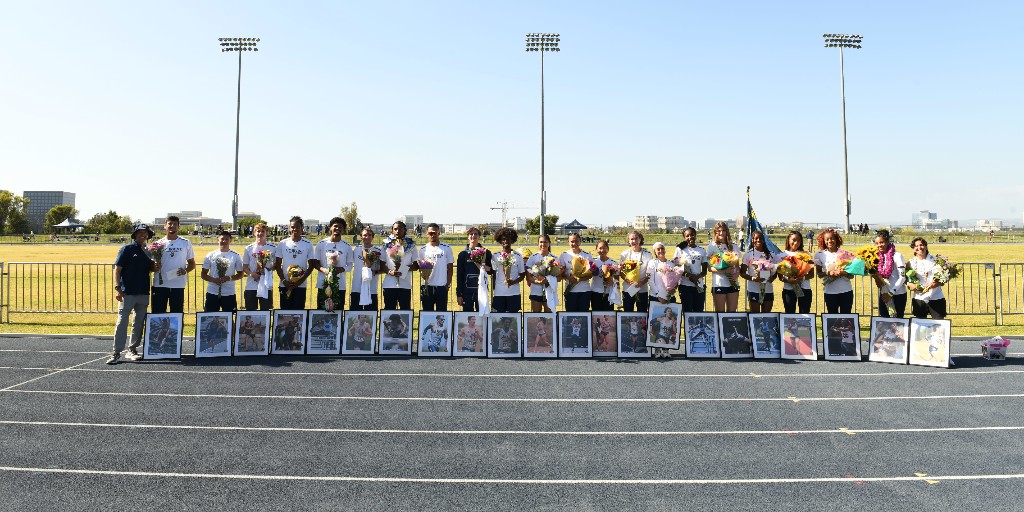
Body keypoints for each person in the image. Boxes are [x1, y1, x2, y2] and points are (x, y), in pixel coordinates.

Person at [108, 223, 158, 364]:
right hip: (127, 292)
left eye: (145, 232)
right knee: (122, 322)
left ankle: (132, 349)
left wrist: (157, 265)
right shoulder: (127, 249)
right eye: (140, 232)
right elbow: (117, 269)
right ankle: (116, 352)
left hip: (143, 291)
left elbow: (152, 269)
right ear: (135, 235)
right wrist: (118, 287)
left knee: (138, 323)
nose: (143, 235)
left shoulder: (150, 250)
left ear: (148, 235)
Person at [150, 215, 196, 314]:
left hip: (177, 285)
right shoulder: (157, 243)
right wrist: (155, 267)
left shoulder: (185, 243)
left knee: (177, 314)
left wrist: (185, 271)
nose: (172, 226)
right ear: (165, 226)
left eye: (175, 224)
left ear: (178, 227)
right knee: (158, 313)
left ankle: (177, 330)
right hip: (160, 285)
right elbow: (152, 266)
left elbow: (192, 264)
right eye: (170, 224)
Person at [275, 216, 315, 310]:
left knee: (299, 312)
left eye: (297, 227)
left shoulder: (308, 244)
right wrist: (284, 281)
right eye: (292, 227)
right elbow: (278, 264)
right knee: (284, 311)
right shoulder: (282, 243)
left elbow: (311, 265)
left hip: (300, 285)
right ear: (289, 228)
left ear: (302, 229)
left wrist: (300, 281)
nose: (295, 229)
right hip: (285, 284)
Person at [200, 230, 244, 312]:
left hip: (229, 292)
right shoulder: (210, 255)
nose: (224, 241)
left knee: (230, 318)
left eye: (227, 239)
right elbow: (203, 274)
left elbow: (240, 274)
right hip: (212, 292)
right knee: (210, 316)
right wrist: (214, 280)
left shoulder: (236, 256)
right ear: (218, 239)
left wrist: (229, 278)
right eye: (222, 239)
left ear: (230, 240)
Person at [314, 217, 352, 311]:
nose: (338, 229)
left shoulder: (347, 247)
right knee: (321, 311)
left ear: (343, 229)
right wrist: (325, 271)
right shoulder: (321, 244)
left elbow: (350, 266)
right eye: (335, 226)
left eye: (340, 227)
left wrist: (340, 269)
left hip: (339, 285)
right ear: (330, 227)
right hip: (323, 284)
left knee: (338, 312)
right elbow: (316, 263)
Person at [814, 228, 853, 314]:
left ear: (837, 239)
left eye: (832, 238)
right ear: (823, 241)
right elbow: (819, 274)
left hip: (846, 291)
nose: (830, 241)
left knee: (846, 317)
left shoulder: (845, 253)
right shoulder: (819, 255)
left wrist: (843, 273)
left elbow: (852, 275)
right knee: (832, 317)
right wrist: (829, 273)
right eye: (827, 239)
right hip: (829, 291)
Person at [908, 237, 947, 320]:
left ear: (926, 246)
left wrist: (938, 283)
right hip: (919, 298)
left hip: (936, 297)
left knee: (939, 325)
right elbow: (906, 278)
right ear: (913, 249)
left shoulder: (936, 260)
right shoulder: (910, 263)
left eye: (921, 245)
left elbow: (945, 278)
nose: (919, 248)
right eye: (916, 246)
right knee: (920, 325)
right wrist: (909, 284)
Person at [382, 221, 418, 310]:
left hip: (405, 285)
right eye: (395, 229)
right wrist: (390, 272)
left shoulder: (411, 244)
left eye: (400, 229)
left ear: (404, 230)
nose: (398, 231)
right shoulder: (386, 244)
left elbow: (416, 266)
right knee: (389, 311)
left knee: (405, 312)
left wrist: (402, 269)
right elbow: (381, 264)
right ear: (392, 230)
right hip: (389, 285)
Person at [455, 227, 492, 312]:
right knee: (468, 315)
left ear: (479, 237)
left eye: (476, 234)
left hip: (481, 290)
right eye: (471, 234)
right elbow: (459, 275)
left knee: (482, 314)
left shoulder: (486, 252)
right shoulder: (463, 254)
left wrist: (487, 269)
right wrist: (459, 294)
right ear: (468, 236)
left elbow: (491, 271)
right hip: (467, 291)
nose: (473, 236)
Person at [419, 223, 455, 311]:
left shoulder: (446, 248)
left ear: (439, 233)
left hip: (441, 286)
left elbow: (450, 268)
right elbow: (421, 268)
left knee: (442, 313)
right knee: (427, 313)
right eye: (430, 233)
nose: (432, 235)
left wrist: (448, 284)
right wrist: (423, 275)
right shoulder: (423, 249)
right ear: (427, 233)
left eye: (434, 233)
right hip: (427, 287)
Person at [872, 229, 907, 318]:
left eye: (882, 242)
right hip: (884, 294)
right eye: (877, 243)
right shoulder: (876, 256)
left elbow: (902, 277)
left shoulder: (897, 255)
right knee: (884, 322)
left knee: (897, 323)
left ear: (887, 242)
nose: (879, 245)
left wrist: (891, 293)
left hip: (898, 294)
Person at [241, 222, 277, 311]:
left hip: (266, 285)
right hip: (251, 285)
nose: (260, 233)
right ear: (254, 233)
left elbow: (276, 264)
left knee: (265, 311)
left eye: (263, 231)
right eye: (258, 231)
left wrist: (267, 270)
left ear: (266, 233)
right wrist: (252, 274)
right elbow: (245, 266)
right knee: (250, 311)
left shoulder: (273, 248)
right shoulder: (248, 248)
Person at [739, 230, 777, 313]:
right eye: (756, 238)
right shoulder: (748, 254)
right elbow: (742, 273)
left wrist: (772, 278)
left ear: (764, 240)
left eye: (761, 238)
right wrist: (753, 278)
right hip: (754, 289)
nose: (758, 240)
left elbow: (776, 270)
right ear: (752, 240)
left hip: (768, 289)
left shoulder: (771, 254)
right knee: (755, 316)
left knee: (766, 316)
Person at [491, 227, 526, 313]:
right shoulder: (495, 256)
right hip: (499, 293)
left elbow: (522, 275)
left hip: (513, 293)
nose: (505, 241)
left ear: (512, 240)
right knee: (499, 317)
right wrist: (494, 289)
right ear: (499, 241)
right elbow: (494, 274)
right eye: (503, 239)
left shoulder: (518, 256)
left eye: (508, 239)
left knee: (513, 318)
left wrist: (513, 282)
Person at [779, 231, 815, 314]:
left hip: (805, 289)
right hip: (789, 289)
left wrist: (802, 278)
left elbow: (811, 274)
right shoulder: (782, 255)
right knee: (790, 314)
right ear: (788, 240)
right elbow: (780, 277)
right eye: (794, 240)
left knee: (805, 314)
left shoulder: (806, 254)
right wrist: (789, 280)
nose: (796, 243)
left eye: (799, 240)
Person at [673, 227, 708, 313]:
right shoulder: (679, 249)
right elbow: (675, 267)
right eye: (687, 236)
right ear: (684, 238)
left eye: (692, 235)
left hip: (699, 286)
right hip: (685, 286)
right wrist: (688, 275)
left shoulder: (702, 251)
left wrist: (697, 277)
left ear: (695, 236)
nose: (690, 237)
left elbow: (704, 271)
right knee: (687, 311)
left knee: (699, 311)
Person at [351, 227, 386, 311]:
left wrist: (375, 271)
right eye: (365, 235)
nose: (367, 237)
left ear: (373, 237)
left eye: (369, 235)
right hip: (357, 288)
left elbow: (382, 268)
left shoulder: (378, 251)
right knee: (355, 313)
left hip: (371, 288)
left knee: (371, 314)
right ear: (361, 237)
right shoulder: (356, 249)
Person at [707, 221, 739, 313]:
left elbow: (737, 266)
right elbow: (709, 268)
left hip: (733, 283)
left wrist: (736, 274)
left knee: (732, 313)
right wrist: (724, 271)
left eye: (723, 230)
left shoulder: (734, 246)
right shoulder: (712, 246)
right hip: (719, 283)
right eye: (719, 231)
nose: (721, 233)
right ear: (715, 233)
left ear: (727, 231)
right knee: (720, 313)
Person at [559, 233, 594, 312]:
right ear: (568, 242)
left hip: (584, 290)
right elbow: (561, 272)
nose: (574, 243)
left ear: (580, 241)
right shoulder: (564, 255)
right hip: (570, 291)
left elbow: (591, 274)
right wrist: (568, 277)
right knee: (570, 314)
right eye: (572, 241)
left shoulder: (587, 255)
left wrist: (579, 279)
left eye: (576, 241)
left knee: (584, 315)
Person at [619, 230, 652, 312]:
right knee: (628, 312)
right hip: (628, 289)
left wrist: (642, 283)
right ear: (628, 241)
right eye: (631, 239)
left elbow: (650, 273)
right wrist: (627, 280)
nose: (634, 241)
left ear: (640, 239)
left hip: (642, 289)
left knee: (642, 313)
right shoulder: (624, 254)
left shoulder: (648, 254)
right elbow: (620, 271)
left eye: (636, 238)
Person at [525, 234, 558, 312]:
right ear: (538, 244)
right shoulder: (533, 257)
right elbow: (528, 276)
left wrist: (549, 280)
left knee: (549, 317)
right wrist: (537, 281)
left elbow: (559, 277)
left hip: (549, 291)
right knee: (536, 316)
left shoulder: (555, 258)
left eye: (545, 242)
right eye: (541, 242)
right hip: (535, 291)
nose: (543, 244)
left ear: (549, 243)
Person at [590, 240, 617, 312]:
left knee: (609, 314)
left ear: (608, 249)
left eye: (604, 248)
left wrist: (612, 282)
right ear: (596, 250)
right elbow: (589, 275)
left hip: (609, 293)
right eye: (600, 248)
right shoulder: (593, 262)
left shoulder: (613, 263)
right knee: (596, 314)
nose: (602, 250)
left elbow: (617, 279)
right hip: (595, 292)